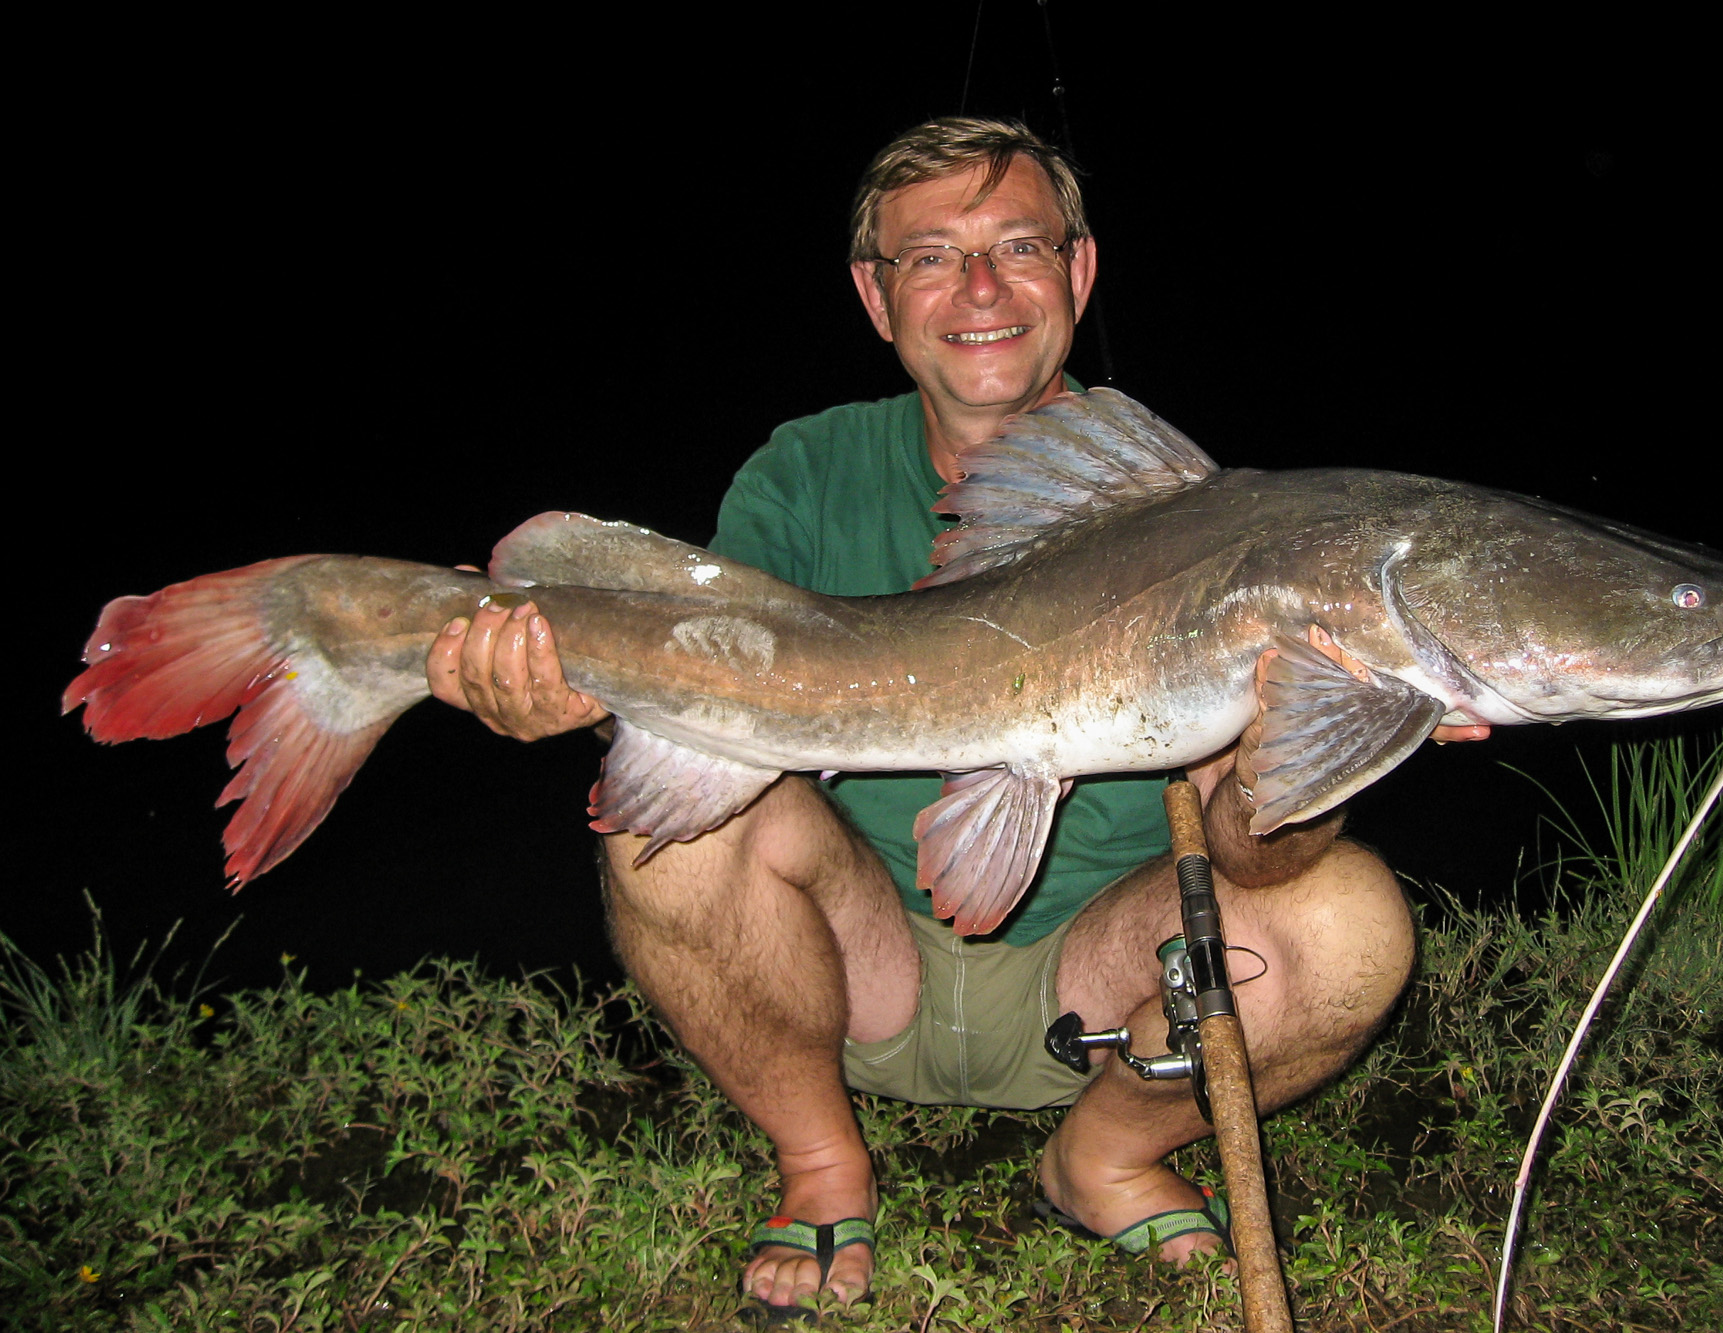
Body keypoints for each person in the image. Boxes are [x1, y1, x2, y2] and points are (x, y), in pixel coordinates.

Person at [426, 117, 1486, 1312]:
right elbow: (705, 702)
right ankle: (823, 1163)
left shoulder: (1199, 517)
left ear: (1077, 273)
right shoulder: (806, 471)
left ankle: (1104, 1154)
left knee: (1348, 918)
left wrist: (1307, 755)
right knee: (663, 827)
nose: (979, 288)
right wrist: (561, 693)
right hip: (856, 971)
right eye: (930, 257)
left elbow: (1247, 855)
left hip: (1099, 994)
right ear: (876, 298)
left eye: (1019, 246)